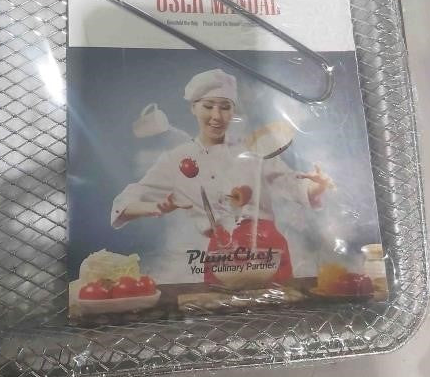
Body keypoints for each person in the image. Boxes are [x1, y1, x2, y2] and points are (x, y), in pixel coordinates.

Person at [111, 69, 332, 284]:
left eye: (225, 107)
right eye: (208, 106)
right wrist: (155, 206)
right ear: (193, 108)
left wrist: (316, 187)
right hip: (221, 255)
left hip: (268, 249)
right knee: (221, 303)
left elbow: (289, 182)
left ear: (233, 110)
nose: (216, 116)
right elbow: (126, 202)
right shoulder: (176, 159)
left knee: (281, 305)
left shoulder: (253, 149)